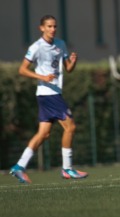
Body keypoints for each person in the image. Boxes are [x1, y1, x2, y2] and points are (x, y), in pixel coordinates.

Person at [10, 15, 88, 183]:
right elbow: (22, 70)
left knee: (44, 134)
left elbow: (68, 69)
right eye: (49, 26)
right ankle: (67, 168)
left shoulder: (60, 44)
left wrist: (73, 62)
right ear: (42, 28)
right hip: (47, 93)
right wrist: (42, 77)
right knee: (71, 127)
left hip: (53, 94)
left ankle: (19, 166)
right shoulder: (36, 47)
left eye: (54, 26)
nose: (53, 29)